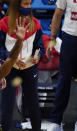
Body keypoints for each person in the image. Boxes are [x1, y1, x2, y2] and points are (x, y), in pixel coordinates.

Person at [0, 0, 45, 130]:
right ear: (17, 5)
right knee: (7, 105)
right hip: (10, 68)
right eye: (25, 4)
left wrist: (37, 55)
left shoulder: (35, 23)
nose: (28, 7)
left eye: (29, 4)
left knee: (33, 104)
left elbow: (40, 46)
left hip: (29, 68)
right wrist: (11, 58)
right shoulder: (3, 23)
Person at [46, 0, 77, 130]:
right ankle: (56, 121)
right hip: (70, 38)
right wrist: (52, 39)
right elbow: (58, 13)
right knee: (64, 80)